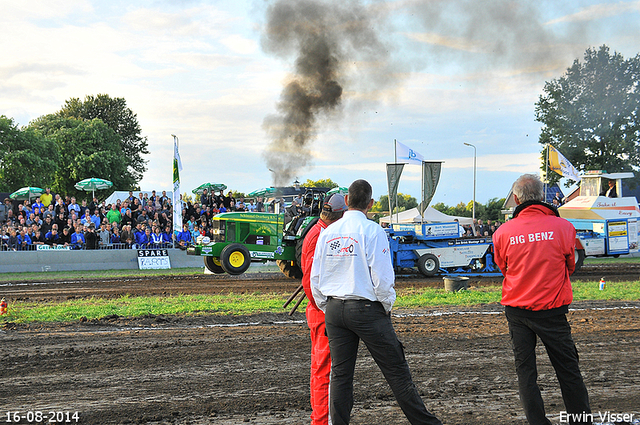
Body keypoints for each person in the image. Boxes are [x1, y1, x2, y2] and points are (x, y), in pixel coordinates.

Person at [310, 179, 442, 425]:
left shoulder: (327, 233)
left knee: (340, 375)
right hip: (366, 309)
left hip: (335, 309)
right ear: (371, 203)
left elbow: (315, 278)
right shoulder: (372, 231)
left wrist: (328, 307)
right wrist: (386, 306)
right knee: (397, 373)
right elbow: (382, 278)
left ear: (347, 201)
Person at [492, 174, 591, 425]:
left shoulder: (503, 232)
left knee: (526, 373)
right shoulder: (564, 227)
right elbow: (570, 265)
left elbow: (504, 268)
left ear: (516, 199)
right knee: (568, 371)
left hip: (517, 311)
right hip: (553, 311)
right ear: (542, 196)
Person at [301, 193, 347, 425]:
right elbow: (309, 282)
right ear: (339, 216)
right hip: (322, 312)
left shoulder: (319, 231)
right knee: (324, 370)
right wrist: (326, 309)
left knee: (323, 368)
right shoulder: (320, 235)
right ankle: (321, 421)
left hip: (321, 310)